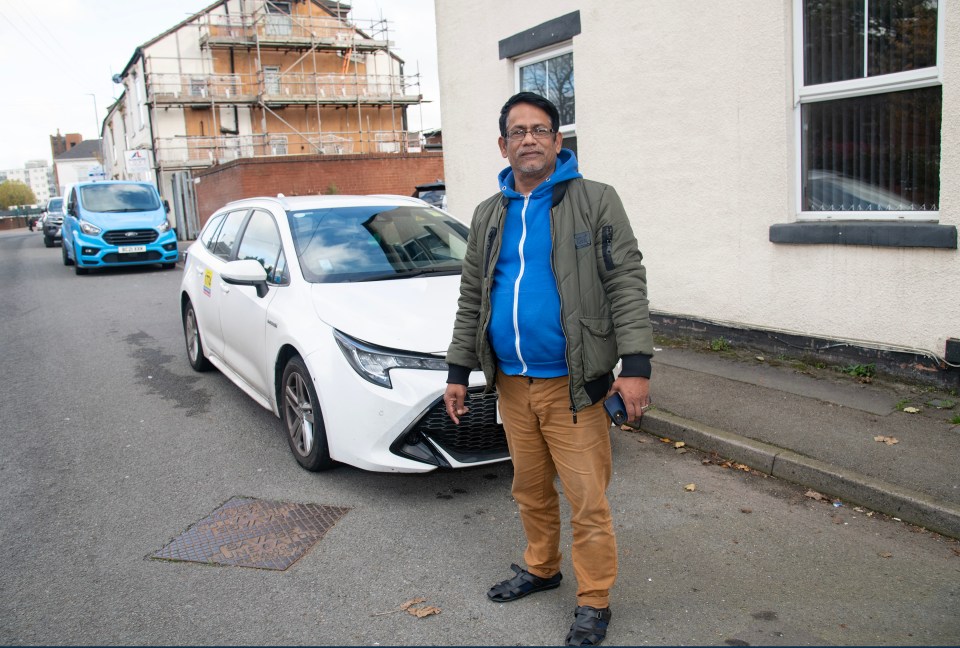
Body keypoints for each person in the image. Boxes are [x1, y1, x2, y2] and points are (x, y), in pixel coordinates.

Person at [443, 91, 654, 647]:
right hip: (511, 383)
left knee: (587, 499)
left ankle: (594, 600)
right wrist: (459, 371)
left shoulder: (595, 201)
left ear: (559, 141)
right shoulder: (490, 214)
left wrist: (635, 364)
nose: (529, 139)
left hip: (574, 385)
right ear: (503, 144)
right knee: (530, 489)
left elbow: (626, 283)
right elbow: (472, 299)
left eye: (540, 129)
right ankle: (541, 567)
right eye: (518, 131)